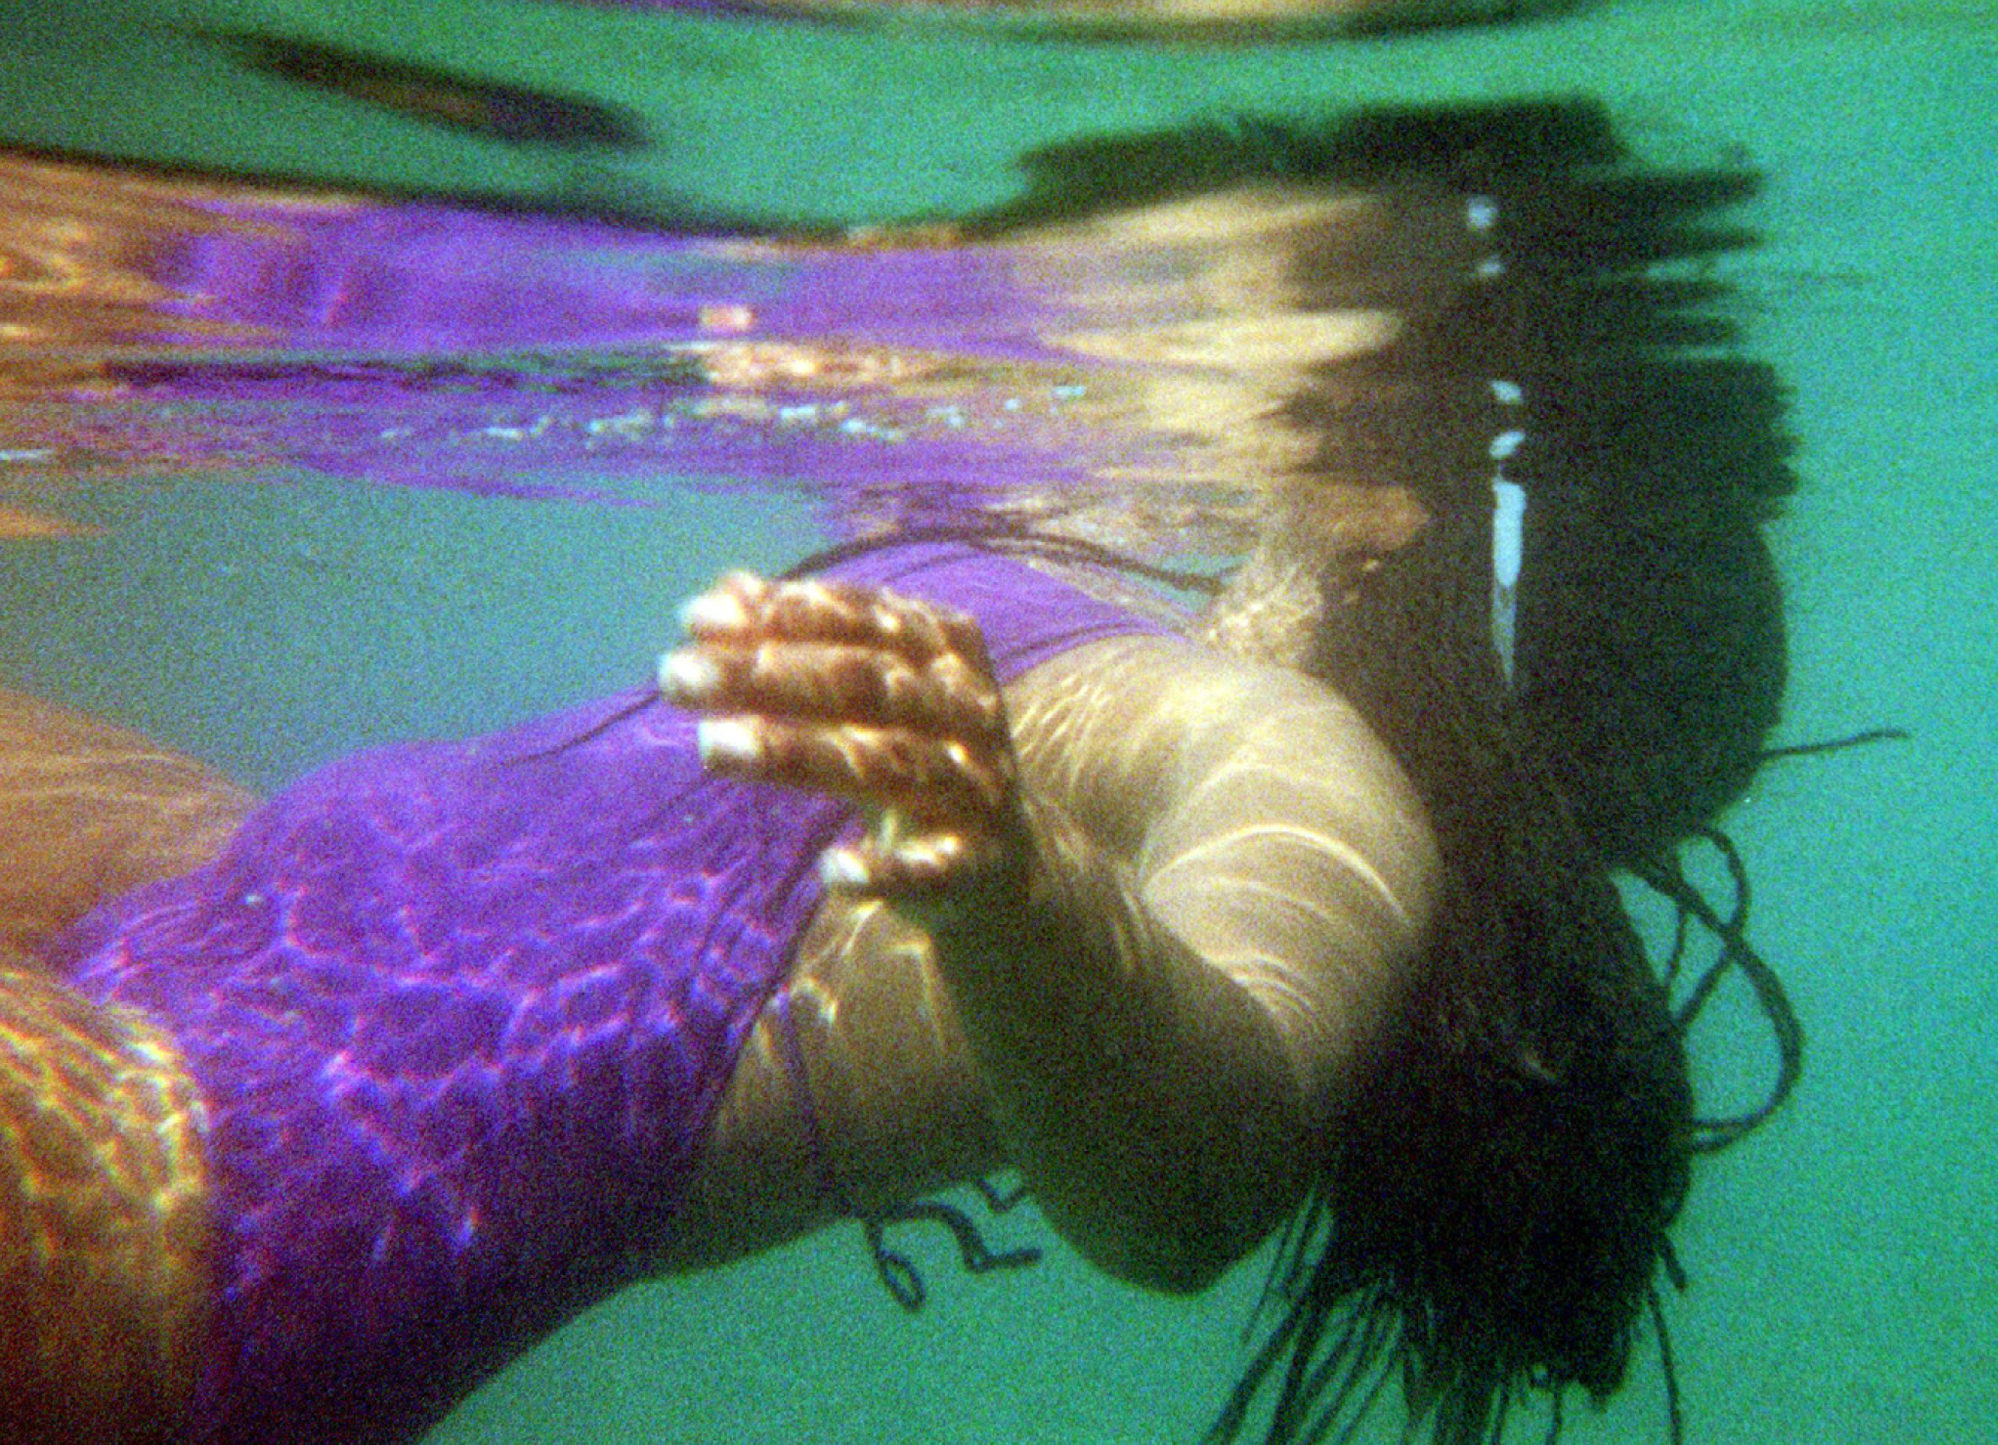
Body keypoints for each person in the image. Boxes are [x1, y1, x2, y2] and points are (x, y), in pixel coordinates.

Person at [0, 100, 1805, 1445]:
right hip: (213, 918)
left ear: (1410, 518)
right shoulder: (1106, 593)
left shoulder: (1296, 764)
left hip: (223, 1193)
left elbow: (1205, 1172)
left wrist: (1021, 879)